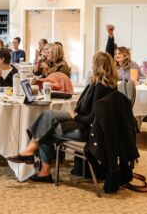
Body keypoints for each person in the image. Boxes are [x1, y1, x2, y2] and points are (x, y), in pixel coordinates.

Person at [7, 52, 117, 182]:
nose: (91, 67)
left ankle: (41, 167)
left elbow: (92, 119)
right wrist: (75, 115)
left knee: (47, 129)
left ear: (98, 67)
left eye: (93, 64)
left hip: (88, 130)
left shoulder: (100, 88)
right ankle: (33, 153)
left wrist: (75, 117)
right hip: (81, 120)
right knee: (48, 116)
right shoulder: (99, 84)